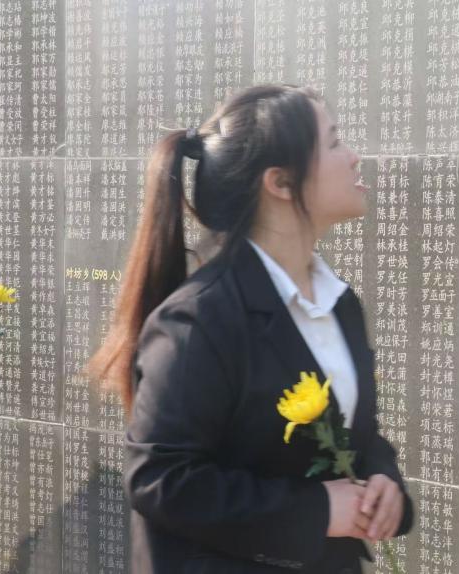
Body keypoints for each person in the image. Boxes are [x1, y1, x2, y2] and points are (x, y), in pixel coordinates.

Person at [88, 84, 414, 573]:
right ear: (280, 182)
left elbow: (359, 435)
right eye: (333, 142)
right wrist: (317, 511)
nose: (353, 157)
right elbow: (161, 479)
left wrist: (383, 479)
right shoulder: (200, 318)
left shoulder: (338, 303)